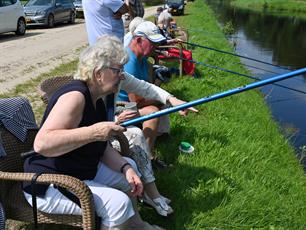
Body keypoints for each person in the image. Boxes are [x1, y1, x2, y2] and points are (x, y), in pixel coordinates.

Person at [22, 36, 163, 230]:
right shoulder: (75, 97)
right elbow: (42, 144)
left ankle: (137, 224)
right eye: (117, 70)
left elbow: (100, 146)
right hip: (49, 182)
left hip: (78, 169)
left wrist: (125, 168)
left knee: (130, 168)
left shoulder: (98, 98)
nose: (122, 76)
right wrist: (93, 132)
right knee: (118, 204)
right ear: (98, 73)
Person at [118, 21, 198, 168]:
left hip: (132, 105)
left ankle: (158, 138)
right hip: (121, 108)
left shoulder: (142, 58)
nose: (156, 47)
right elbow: (137, 102)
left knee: (158, 103)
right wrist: (164, 102)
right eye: (153, 43)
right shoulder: (128, 61)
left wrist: (169, 99)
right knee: (152, 111)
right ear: (139, 40)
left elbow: (147, 86)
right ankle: (148, 158)